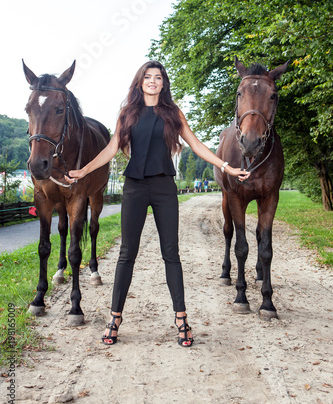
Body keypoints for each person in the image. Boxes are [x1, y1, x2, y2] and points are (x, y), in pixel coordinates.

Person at [65, 60, 249, 347]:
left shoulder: (173, 113)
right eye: (148, 77)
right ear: (140, 82)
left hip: (164, 187)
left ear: (164, 84)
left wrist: (226, 166)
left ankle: (181, 318)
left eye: (158, 78)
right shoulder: (128, 113)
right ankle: (114, 318)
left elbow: (196, 144)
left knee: (171, 253)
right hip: (135, 188)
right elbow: (112, 148)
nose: (153, 81)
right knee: (127, 253)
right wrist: (84, 170)